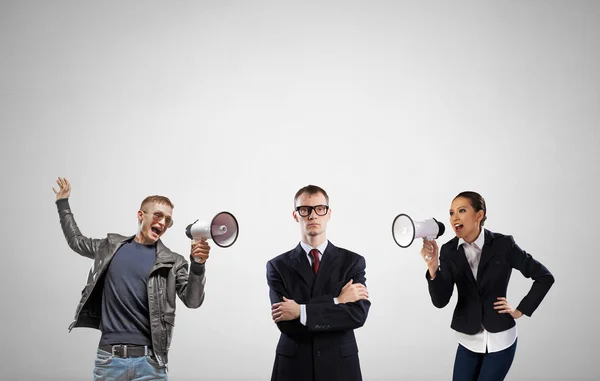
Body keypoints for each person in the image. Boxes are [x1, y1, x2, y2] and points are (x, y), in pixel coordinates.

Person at [52, 177, 210, 380]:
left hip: (151, 364)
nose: (162, 223)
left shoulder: (173, 262)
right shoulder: (110, 247)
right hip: (109, 360)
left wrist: (198, 264)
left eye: (168, 220)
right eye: (158, 215)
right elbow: (76, 241)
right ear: (141, 215)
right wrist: (63, 203)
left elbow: (193, 301)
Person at [422, 191, 555, 381]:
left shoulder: (503, 245)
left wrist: (520, 310)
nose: (454, 218)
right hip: (468, 339)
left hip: (501, 339)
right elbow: (441, 300)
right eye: (451, 213)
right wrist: (433, 268)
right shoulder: (449, 251)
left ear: (479, 215)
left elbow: (544, 277)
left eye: (461, 210)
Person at [266, 185, 370, 381]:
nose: (313, 216)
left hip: (340, 366)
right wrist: (337, 302)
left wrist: (301, 311)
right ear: (296, 215)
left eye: (319, 209)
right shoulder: (277, 266)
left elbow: (357, 315)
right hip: (294, 367)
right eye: (305, 210)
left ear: (328, 213)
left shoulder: (352, 262)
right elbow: (286, 323)